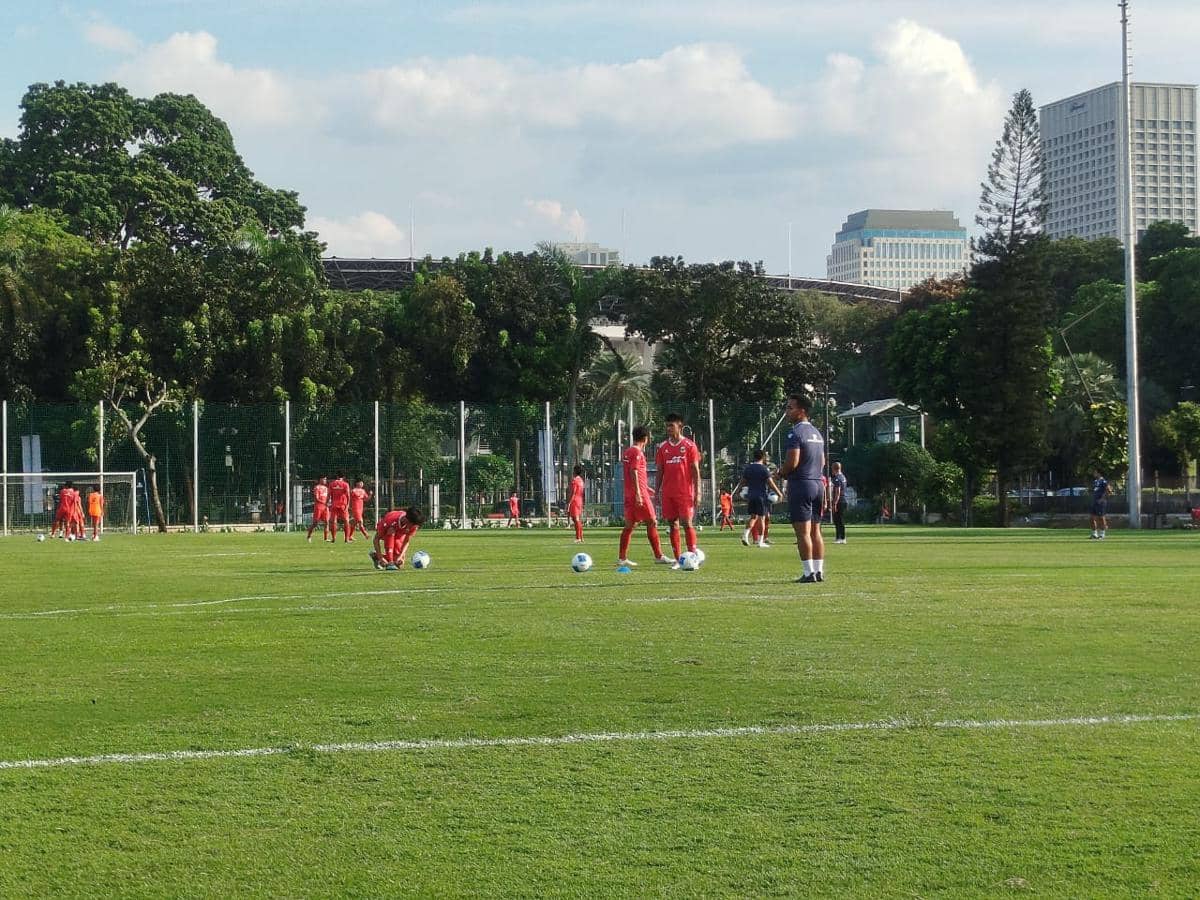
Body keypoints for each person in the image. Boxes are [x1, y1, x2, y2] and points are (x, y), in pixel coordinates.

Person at [774, 393, 826, 584]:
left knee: (802, 533)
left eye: (790, 408)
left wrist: (780, 473)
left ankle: (808, 573)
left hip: (801, 484)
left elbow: (792, 462)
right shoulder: (817, 433)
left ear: (802, 411)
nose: (787, 412)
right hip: (818, 484)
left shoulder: (795, 433)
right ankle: (819, 571)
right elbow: (822, 461)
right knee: (816, 531)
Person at [618, 425, 671, 567]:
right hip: (638, 494)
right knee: (652, 522)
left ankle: (622, 558)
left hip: (631, 493)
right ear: (646, 438)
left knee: (630, 525)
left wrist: (647, 488)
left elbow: (632, 474)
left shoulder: (627, 452)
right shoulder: (637, 452)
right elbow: (634, 471)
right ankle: (659, 556)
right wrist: (639, 493)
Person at [655, 412, 702, 567]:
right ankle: (678, 559)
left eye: (671, 425)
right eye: (667, 426)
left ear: (680, 426)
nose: (668, 428)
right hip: (668, 493)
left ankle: (692, 556)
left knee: (687, 523)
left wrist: (698, 492)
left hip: (685, 492)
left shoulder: (689, 446)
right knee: (672, 524)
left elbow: (695, 470)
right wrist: (657, 492)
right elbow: (660, 471)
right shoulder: (662, 447)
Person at [734, 449, 783, 549]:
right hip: (761, 496)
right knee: (762, 518)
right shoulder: (764, 469)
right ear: (763, 457)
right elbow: (770, 483)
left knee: (753, 517)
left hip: (751, 496)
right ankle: (760, 542)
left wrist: (737, 492)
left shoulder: (748, 468)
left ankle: (745, 535)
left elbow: (742, 482)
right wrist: (779, 493)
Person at [328, 471, 352, 542]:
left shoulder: (332, 484)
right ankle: (346, 539)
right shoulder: (345, 484)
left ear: (337, 476)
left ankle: (333, 538)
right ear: (343, 477)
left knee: (333, 521)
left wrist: (327, 503)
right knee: (346, 521)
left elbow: (329, 495)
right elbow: (348, 495)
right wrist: (348, 505)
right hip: (343, 505)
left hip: (334, 504)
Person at [306, 476, 331, 543]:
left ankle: (326, 538)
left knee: (327, 522)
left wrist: (329, 502)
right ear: (320, 479)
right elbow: (316, 498)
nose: (325, 480)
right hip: (319, 507)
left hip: (325, 507)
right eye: (324, 479)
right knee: (315, 523)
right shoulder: (317, 487)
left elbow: (328, 497)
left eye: (326, 479)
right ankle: (309, 536)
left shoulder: (326, 488)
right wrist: (324, 502)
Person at [1089, 469, 1112, 540]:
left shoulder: (1103, 481)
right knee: (1091, 518)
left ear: (1099, 473)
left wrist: (1102, 499)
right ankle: (1094, 534)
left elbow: (1109, 491)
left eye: (1095, 472)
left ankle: (1102, 534)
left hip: (1101, 503)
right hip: (1094, 502)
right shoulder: (1095, 481)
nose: (1094, 473)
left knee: (1101, 518)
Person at [830, 461, 848, 544]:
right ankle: (839, 538)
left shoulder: (837, 478)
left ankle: (842, 538)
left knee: (839, 520)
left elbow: (838, 492)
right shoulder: (843, 477)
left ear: (834, 469)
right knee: (838, 520)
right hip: (843, 500)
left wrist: (834, 503)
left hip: (839, 501)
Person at [567, 464, 586, 543]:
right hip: (580, 500)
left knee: (576, 519)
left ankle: (578, 538)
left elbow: (573, 492)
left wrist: (569, 502)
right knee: (577, 519)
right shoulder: (581, 480)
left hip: (575, 500)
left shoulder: (575, 480)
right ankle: (581, 537)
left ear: (574, 471)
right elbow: (582, 492)